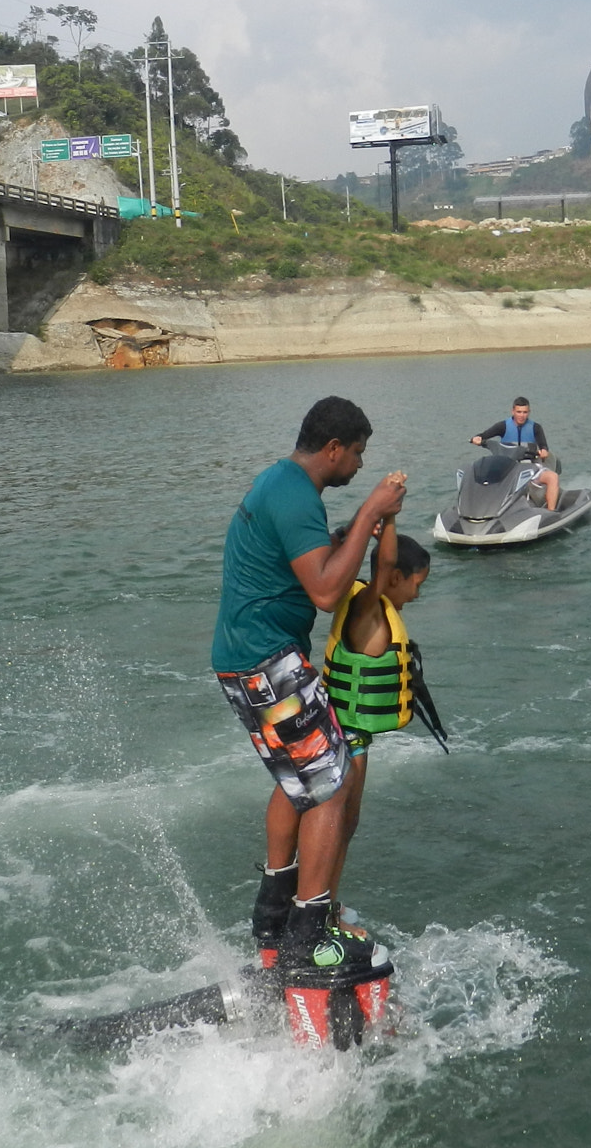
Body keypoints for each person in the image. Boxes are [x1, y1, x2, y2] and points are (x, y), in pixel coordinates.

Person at [213, 395, 406, 983]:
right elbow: (325, 591)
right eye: (357, 455)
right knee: (331, 784)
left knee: (299, 781)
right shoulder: (296, 496)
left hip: (250, 657)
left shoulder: (278, 482)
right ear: (332, 449)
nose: (357, 467)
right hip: (265, 660)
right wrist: (373, 509)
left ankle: (274, 915)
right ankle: (310, 933)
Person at [318, 514, 446, 919]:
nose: (418, 594)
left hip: (352, 736)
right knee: (339, 823)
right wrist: (387, 518)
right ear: (394, 578)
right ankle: (318, 913)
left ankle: (325, 906)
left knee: (347, 823)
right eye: (417, 583)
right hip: (346, 737)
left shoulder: (367, 604)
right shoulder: (368, 607)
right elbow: (385, 560)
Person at [472, 395, 561, 512]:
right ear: (513, 411)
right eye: (519, 412)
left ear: (529, 412)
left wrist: (543, 452)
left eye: (525, 412)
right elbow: (482, 435)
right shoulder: (502, 426)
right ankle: (478, 509)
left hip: (530, 468)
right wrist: (477, 439)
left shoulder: (535, 428)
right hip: (507, 469)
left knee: (553, 477)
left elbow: (544, 446)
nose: (522, 415)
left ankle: (550, 513)